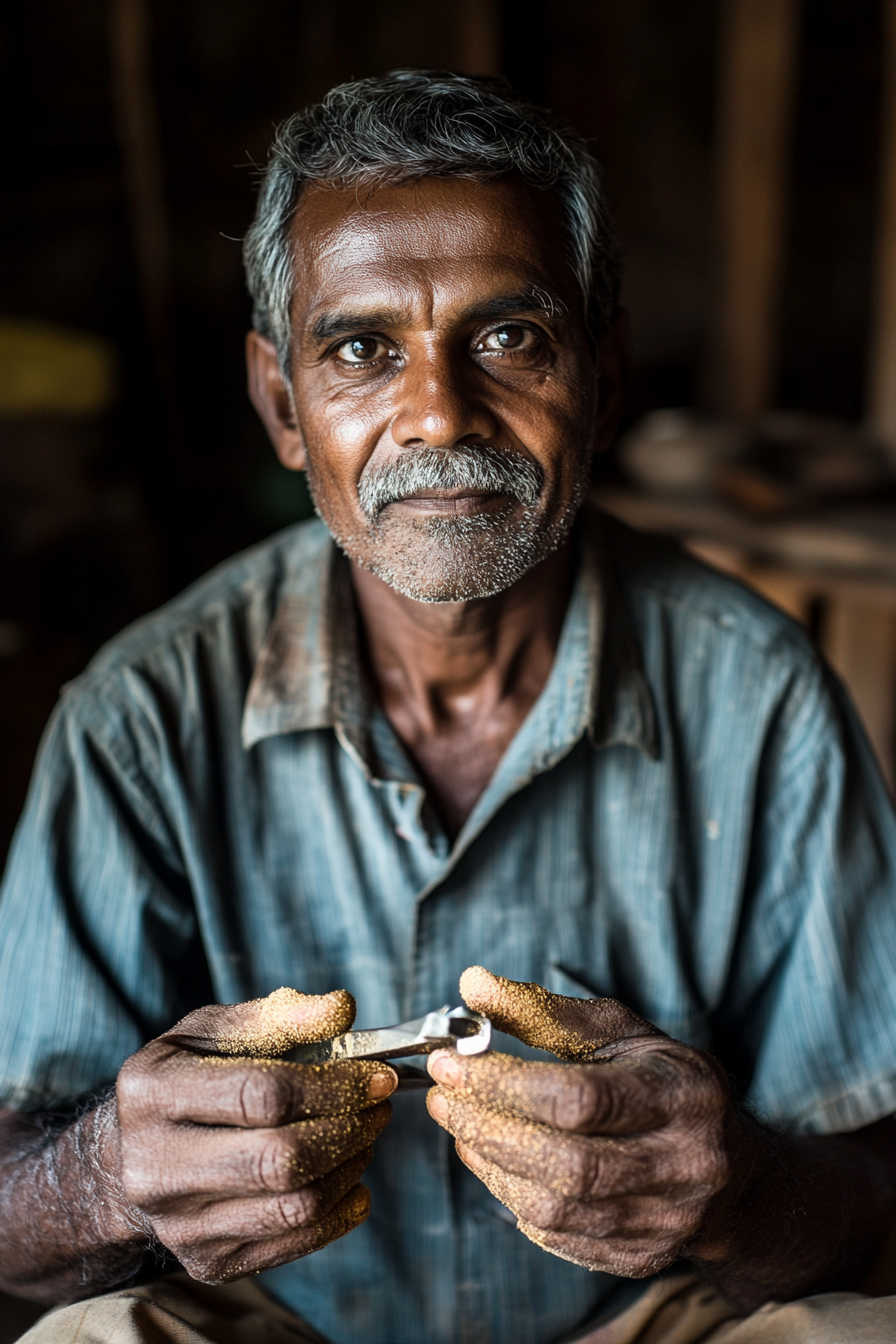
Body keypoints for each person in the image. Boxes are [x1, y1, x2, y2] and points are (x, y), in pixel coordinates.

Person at [2, 69, 896, 1344]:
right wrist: (103, 1179)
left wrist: (734, 1189)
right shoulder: (143, 712)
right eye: (362, 348)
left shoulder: (759, 696)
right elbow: (11, 1231)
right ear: (281, 407)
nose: (436, 412)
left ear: (604, 370)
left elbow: (872, 1204)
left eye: (507, 337)